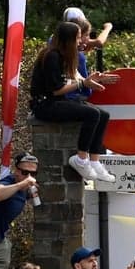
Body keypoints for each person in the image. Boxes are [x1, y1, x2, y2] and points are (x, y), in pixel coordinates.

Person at [28, 21, 116, 182]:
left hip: (56, 101)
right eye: (77, 38)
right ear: (68, 39)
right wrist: (83, 84)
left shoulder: (66, 55)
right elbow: (56, 90)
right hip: (45, 105)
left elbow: (77, 77)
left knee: (103, 115)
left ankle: (94, 161)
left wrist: (95, 79)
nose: (80, 41)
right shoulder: (51, 56)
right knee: (92, 114)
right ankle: (81, 158)